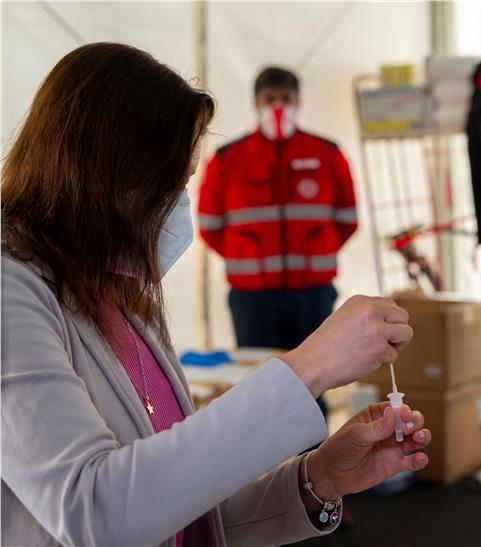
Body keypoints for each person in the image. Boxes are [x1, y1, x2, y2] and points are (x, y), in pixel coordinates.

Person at [1, 43, 431, 547]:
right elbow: (95, 512)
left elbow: (178, 503)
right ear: (111, 173)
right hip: (257, 294)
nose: (179, 206)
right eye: (175, 183)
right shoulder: (13, 290)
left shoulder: (119, 295)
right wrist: (309, 366)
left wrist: (317, 478)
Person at [197, 65, 357, 355]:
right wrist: (246, 254)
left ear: (298, 102)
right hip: (252, 298)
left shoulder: (328, 154)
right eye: (269, 99)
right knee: (260, 375)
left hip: (313, 294)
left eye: (286, 98)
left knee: (315, 373)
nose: (278, 106)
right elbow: (209, 226)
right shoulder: (227, 159)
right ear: (256, 104)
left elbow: (348, 220)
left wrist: (316, 250)